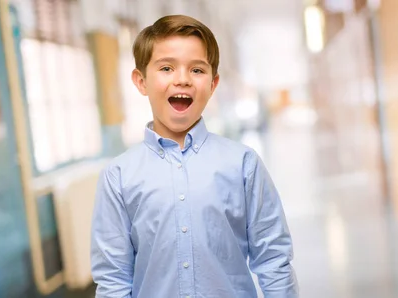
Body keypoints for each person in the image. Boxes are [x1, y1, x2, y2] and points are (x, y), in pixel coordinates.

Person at [90, 15, 298, 298]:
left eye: (197, 70)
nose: (183, 80)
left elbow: (273, 259)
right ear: (141, 82)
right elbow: (113, 277)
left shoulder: (243, 165)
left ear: (213, 84)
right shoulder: (119, 176)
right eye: (166, 68)